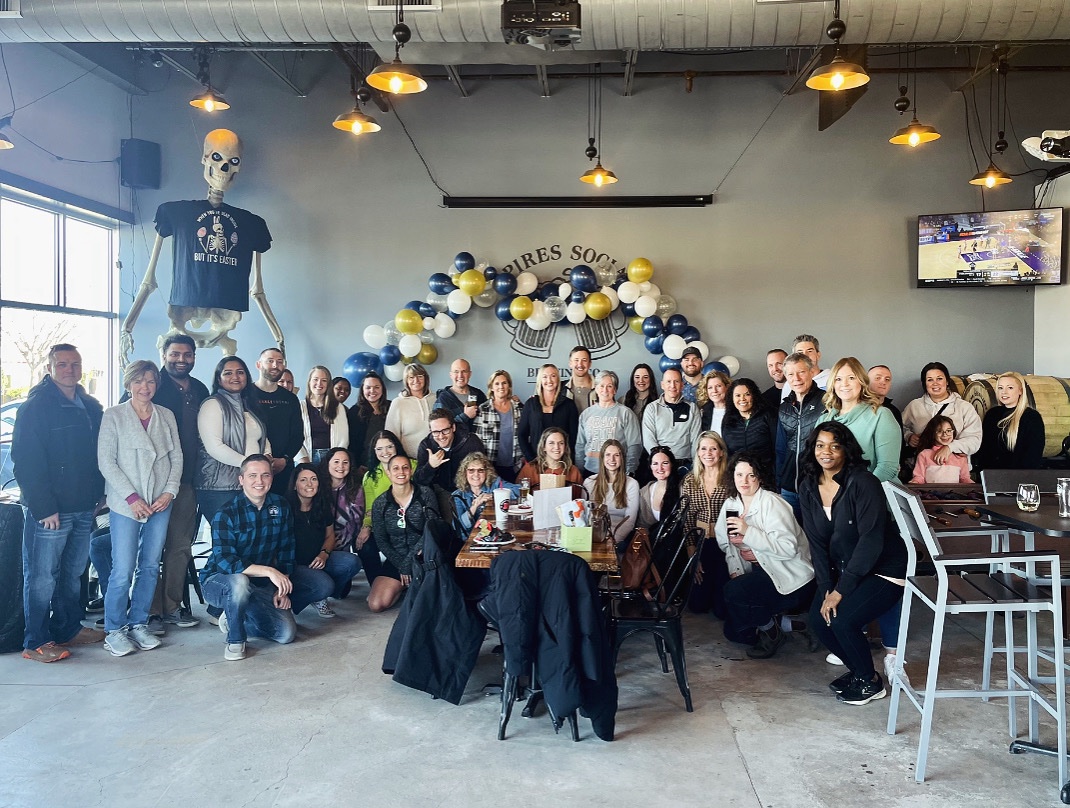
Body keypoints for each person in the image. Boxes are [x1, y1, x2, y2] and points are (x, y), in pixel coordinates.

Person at [799, 423, 907, 706]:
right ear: (812, 449)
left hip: (885, 568)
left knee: (843, 619)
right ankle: (861, 672)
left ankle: (869, 683)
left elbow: (871, 541)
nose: (827, 452)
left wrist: (840, 590)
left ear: (846, 450)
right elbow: (817, 543)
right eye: (820, 445)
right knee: (818, 620)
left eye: (835, 446)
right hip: (848, 568)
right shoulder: (808, 486)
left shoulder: (863, 482)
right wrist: (825, 587)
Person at [13, 344, 106, 662]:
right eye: (62, 364)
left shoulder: (91, 406)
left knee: (74, 572)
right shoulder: (36, 407)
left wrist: (100, 495)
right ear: (50, 368)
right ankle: (36, 641)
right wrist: (44, 508)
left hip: (83, 506)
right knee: (41, 576)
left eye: (75, 364)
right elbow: (25, 462)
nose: (70, 369)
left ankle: (67, 629)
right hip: (50, 510)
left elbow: (99, 455)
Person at [199, 455, 332, 661]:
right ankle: (235, 639)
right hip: (220, 581)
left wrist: (282, 587)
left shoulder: (280, 506)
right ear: (241, 479)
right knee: (239, 582)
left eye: (265, 475)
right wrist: (270, 572)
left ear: (271, 478)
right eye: (252, 475)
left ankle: (239, 615)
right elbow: (225, 561)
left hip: (260, 584)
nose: (259, 481)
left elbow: (287, 548)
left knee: (286, 634)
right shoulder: (226, 513)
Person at [96, 360, 183, 657]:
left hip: (160, 501)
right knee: (122, 568)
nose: (144, 387)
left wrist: (169, 491)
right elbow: (106, 462)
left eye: (150, 381)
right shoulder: (114, 416)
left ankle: (139, 623)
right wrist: (132, 498)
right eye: (138, 381)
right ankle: (114, 629)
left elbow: (177, 457)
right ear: (128, 383)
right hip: (126, 504)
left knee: (149, 565)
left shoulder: (166, 415)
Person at [715, 452, 814, 658]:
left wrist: (749, 533)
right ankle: (792, 624)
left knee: (734, 593)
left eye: (751, 475)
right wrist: (735, 568)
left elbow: (788, 548)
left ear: (759, 477)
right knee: (736, 633)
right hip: (760, 572)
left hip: (790, 575)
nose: (745, 481)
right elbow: (727, 544)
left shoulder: (772, 503)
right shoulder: (731, 504)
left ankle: (772, 632)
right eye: (739, 474)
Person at [145, 335, 209, 631]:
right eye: (175, 354)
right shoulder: (150, 384)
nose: (181, 359)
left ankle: (172, 607)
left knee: (180, 546)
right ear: (164, 354)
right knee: (150, 548)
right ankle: (150, 611)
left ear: (194, 356)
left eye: (187, 354)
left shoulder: (199, 389)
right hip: (152, 482)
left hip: (187, 481)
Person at [195, 355, 271, 524]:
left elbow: (261, 437)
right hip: (220, 487)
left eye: (240, 372)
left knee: (249, 537)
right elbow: (214, 447)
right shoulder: (212, 404)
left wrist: (266, 456)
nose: (235, 377)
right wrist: (252, 466)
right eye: (228, 373)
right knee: (226, 539)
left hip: (248, 484)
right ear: (219, 379)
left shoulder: (249, 405)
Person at [286, 463, 360, 618]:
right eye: (303, 480)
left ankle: (319, 595)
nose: (309, 484)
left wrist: (324, 554)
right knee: (324, 585)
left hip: (318, 559)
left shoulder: (321, 504)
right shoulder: (285, 508)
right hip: (294, 566)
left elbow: (330, 535)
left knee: (352, 562)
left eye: (313, 479)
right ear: (294, 485)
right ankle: (297, 601)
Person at [370, 453, 440, 612]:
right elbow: (381, 540)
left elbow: (432, 529)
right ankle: (403, 586)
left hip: (423, 556)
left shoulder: (425, 494)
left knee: (428, 605)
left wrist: (409, 564)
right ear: (388, 473)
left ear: (411, 470)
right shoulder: (380, 503)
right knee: (376, 605)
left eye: (405, 467)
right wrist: (402, 566)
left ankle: (410, 583)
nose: (401, 472)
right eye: (395, 468)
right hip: (397, 558)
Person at [816, 357, 902, 483]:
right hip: (832, 497)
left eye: (851, 378)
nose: (844, 384)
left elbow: (887, 468)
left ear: (862, 381)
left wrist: (856, 494)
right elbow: (816, 463)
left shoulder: (880, 415)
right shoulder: (823, 420)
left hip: (871, 496)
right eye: (838, 379)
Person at [682, 431, 730, 618]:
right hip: (701, 543)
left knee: (721, 611)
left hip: (725, 544)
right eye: (703, 449)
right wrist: (691, 551)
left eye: (713, 448)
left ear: (721, 452)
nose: (708, 453)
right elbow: (686, 519)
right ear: (698, 453)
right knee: (697, 605)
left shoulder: (730, 479)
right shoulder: (690, 480)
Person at [901, 361, 982, 469]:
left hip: (956, 470)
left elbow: (974, 439)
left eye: (939, 378)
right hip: (920, 471)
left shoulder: (964, 407)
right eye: (930, 380)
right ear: (925, 383)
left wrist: (950, 447)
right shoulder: (914, 406)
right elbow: (899, 428)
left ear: (947, 381)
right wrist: (909, 436)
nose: (935, 383)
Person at [413, 408, 487, 515]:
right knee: (452, 524)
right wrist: (430, 466)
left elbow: (484, 470)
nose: (441, 436)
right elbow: (418, 480)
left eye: (445, 430)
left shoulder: (470, 441)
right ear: (430, 431)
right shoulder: (426, 445)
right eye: (436, 432)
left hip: (470, 489)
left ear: (453, 427)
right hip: (442, 491)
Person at [775, 352, 824, 514]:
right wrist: (780, 482)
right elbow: (780, 449)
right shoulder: (784, 407)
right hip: (788, 488)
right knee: (790, 538)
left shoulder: (826, 402)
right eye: (790, 374)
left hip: (817, 487)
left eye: (801, 372)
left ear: (811, 372)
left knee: (815, 538)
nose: (796, 378)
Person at [252, 347, 303, 495]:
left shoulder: (290, 399)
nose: (275, 365)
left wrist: (285, 459)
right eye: (270, 361)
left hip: (283, 469)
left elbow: (298, 435)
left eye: (279, 362)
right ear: (258, 365)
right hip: (253, 470)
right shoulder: (245, 395)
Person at [974, 371, 1046, 471]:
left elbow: (1032, 456)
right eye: (1000, 388)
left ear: (1020, 391)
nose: (1004, 392)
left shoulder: (1031, 417)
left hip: (1018, 477)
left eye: (1010, 388)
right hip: (992, 477)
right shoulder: (992, 414)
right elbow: (985, 450)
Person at [576, 371, 642, 474]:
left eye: (609, 386)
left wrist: (628, 471)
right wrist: (579, 471)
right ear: (596, 388)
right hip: (590, 472)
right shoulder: (586, 414)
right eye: (601, 386)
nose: (605, 390)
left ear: (615, 390)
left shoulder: (625, 413)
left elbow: (634, 445)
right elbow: (580, 445)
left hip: (618, 473)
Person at [518, 363, 578, 462]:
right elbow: (521, 435)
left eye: (553, 376)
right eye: (545, 377)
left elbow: (573, 437)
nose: (549, 380)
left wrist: (566, 459)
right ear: (540, 381)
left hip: (561, 462)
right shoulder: (531, 404)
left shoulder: (569, 405)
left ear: (558, 379)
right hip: (536, 461)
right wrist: (531, 459)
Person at [583, 439, 641, 543]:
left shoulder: (632, 484)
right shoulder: (589, 482)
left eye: (617, 455)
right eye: (608, 455)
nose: (612, 459)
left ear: (622, 458)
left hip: (617, 538)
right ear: (602, 457)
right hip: (592, 537)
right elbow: (585, 517)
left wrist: (613, 540)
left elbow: (630, 521)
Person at [642, 367, 700, 468]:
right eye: (668, 382)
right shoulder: (652, 408)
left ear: (682, 385)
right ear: (662, 385)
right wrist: (661, 461)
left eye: (676, 381)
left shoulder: (692, 408)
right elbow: (648, 439)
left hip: (685, 463)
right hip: (660, 463)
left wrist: (695, 466)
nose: (672, 386)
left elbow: (696, 440)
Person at [472, 370, 524, 482]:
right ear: (491, 387)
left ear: (509, 386)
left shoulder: (519, 408)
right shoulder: (483, 409)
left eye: (504, 383)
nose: (501, 386)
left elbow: (526, 435)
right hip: (490, 466)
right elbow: (476, 441)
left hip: (516, 466)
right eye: (497, 383)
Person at [451, 452, 519, 532]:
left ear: (487, 472)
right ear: (464, 473)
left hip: (498, 532)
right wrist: (474, 506)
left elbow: (519, 490)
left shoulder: (496, 484)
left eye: (480, 470)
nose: (476, 475)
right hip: (472, 538)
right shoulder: (458, 495)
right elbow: (458, 527)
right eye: (471, 470)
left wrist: (495, 495)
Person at [296, 366, 349, 465]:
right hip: (306, 457)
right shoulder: (299, 406)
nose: (319, 384)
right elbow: (294, 437)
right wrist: (303, 458)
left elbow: (343, 438)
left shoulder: (338, 407)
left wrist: (335, 460)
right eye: (315, 379)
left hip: (331, 458)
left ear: (328, 385)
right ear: (309, 382)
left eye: (324, 380)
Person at [721, 378, 777, 471]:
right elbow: (727, 452)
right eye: (737, 395)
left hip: (766, 473)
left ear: (754, 396)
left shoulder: (769, 415)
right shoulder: (728, 420)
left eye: (747, 394)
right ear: (732, 398)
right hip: (738, 475)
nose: (742, 399)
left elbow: (778, 448)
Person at [385, 363, 434, 457]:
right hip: (409, 461)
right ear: (406, 380)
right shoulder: (398, 403)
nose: (416, 380)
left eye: (420, 376)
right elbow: (391, 437)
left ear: (426, 378)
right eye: (411, 377)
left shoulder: (436, 399)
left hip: (436, 458)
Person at [516, 427, 584, 490]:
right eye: (551, 443)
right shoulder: (529, 469)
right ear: (543, 447)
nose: (557, 447)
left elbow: (579, 500)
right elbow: (519, 495)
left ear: (565, 447)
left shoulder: (574, 471)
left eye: (561, 443)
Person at [911, 416, 972, 484]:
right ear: (933, 433)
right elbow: (919, 477)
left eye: (948, 430)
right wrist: (914, 483)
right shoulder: (924, 454)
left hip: (955, 493)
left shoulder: (960, 456)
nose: (945, 434)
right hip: (930, 493)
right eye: (940, 431)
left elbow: (965, 478)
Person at [350, 371, 390, 468]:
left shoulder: (391, 407)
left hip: (389, 459)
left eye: (376, 387)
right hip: (364, 463)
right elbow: (352, 442)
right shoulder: (354, 412)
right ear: (362, 390)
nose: (372, 391)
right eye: (368, 387)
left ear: (382, 389)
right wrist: (357, 464)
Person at [638, 446, 682, 534]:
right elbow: (642, 526)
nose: (660, 468)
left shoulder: (683, 488)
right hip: (653, 542)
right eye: (655, 464)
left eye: (665, 463)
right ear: (650, 466)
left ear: (672, 464)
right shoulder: (645, 492)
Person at [434, 358, 486, 427]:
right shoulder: (443, 399)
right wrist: (465, 416)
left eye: (464, 371)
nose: (460, 375)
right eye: (456, 372)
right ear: (451, 375)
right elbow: (440, 428)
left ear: (470, 374)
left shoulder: (479, 394)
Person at [781, 334, 829, 398]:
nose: (805, 355)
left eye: (809, 351)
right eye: (800, 353)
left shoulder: (832, 378)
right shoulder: (790, 385)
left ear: (818, 355)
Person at [563, 345, 597, 413]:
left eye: (584, 360)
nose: (580, 364)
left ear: (590, 364)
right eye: (576, 360)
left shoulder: (602, 388)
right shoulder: (560, 389)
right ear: (570, 363)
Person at [698, 370, 730, 434]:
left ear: (727, 387)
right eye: (710, 387)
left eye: (718, 386)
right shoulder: (704, 412)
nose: (714, 391)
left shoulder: (737, 410)